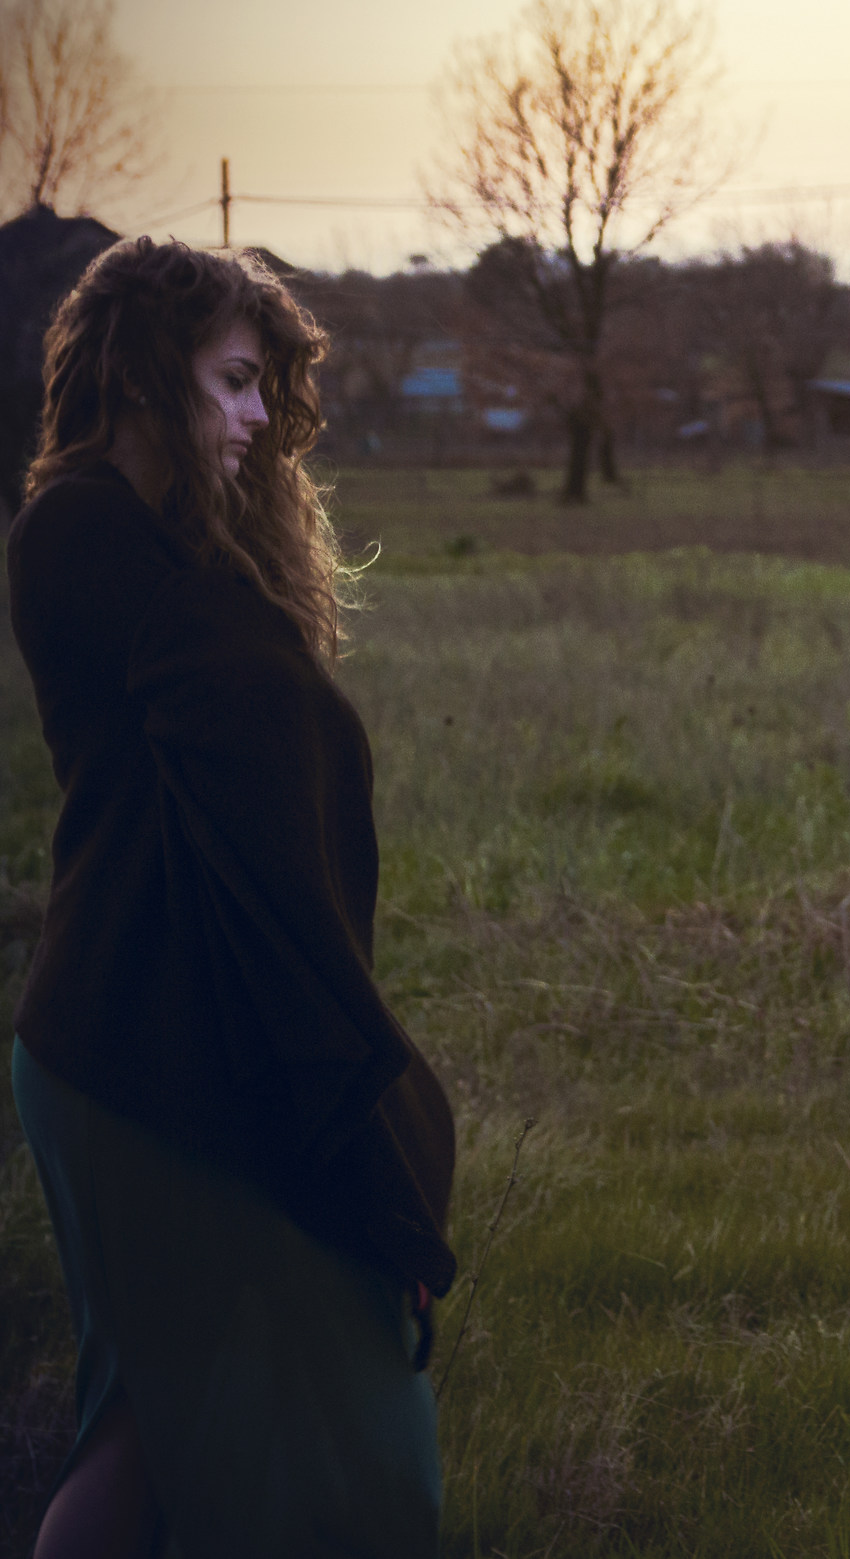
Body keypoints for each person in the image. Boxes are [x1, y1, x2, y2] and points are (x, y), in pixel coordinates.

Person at [6, 238, 456, 1556]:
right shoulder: (86, 530)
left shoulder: (152, 545)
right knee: (348, 1438)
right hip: (140, 1057)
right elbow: (246, 767)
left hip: (150, 1032)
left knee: (148, 1432)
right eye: (236, 381)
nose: (260, 420)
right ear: (148, 377)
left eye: (266, 386)